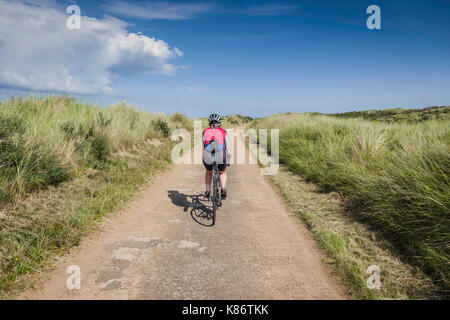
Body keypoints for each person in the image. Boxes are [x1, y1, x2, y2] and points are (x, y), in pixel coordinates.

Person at [202, 114, 228, 199]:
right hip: (221, 154)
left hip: (208, 155)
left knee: (209, 172)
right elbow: (225, 145)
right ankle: (223, 189)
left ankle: (207, 190)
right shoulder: (223, 132)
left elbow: (204, 145)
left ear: (209, 122)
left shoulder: (205, 131)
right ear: (220, 123)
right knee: (222, 172)